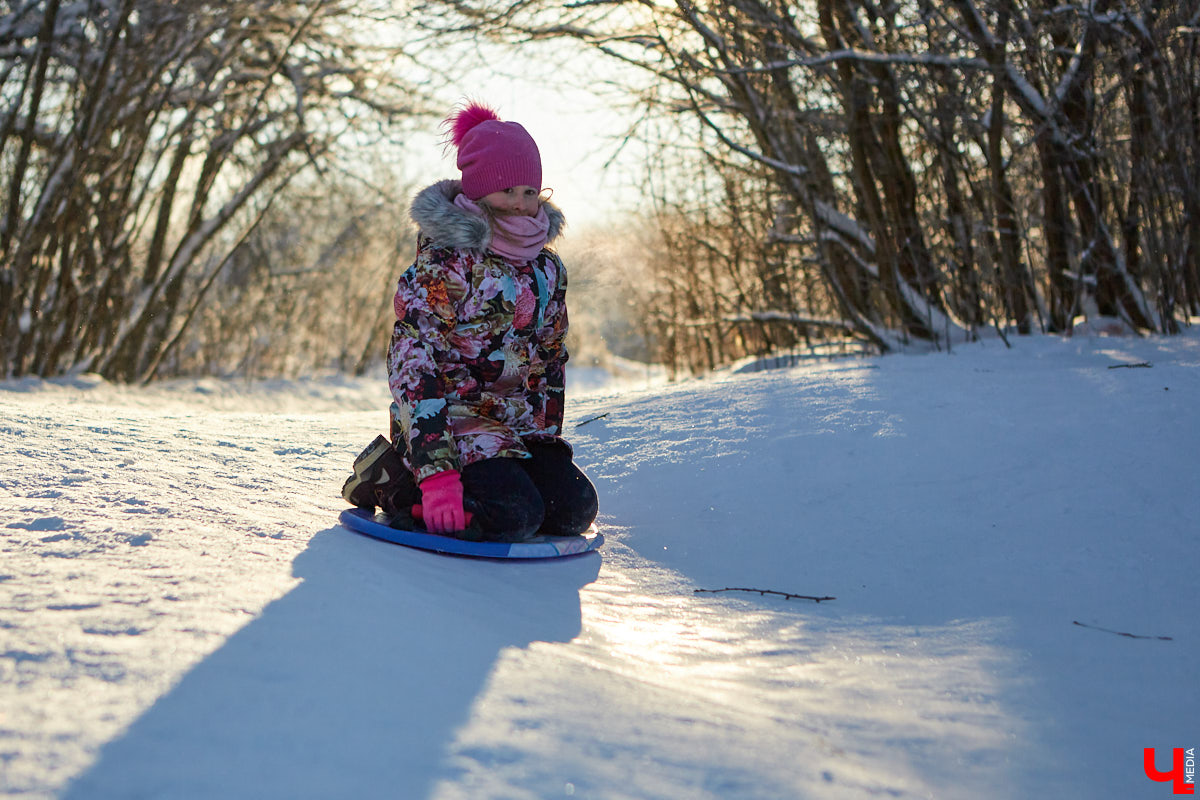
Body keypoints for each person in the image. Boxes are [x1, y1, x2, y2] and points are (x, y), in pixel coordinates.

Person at [342, 101, 598, 543]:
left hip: (516, 426)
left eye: (529, 191)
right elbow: (412, 365)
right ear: (478, 192)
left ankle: (510, 489)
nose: (520, 204)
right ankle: (394, 481)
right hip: (452, 422)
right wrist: (437, 474)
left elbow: (550, 358)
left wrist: (546, 445)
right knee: (514, 517)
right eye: (506, 192)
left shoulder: (546, 268)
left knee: (573, 510)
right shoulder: (446, 265)